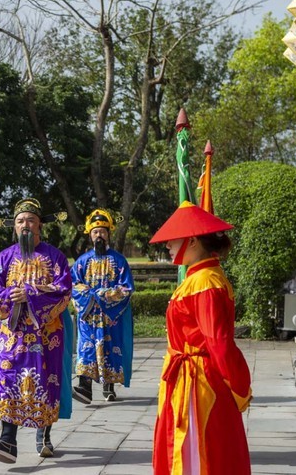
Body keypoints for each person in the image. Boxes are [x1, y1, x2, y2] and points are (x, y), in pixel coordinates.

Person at [149, 201, 252, 475]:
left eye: (173, 240)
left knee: (197, 453)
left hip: (199, 385)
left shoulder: (206, 281)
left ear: (192, 240)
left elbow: (219, 342)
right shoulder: (199, 277)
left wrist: (239, 385)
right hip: (186, 378)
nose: (168, 246)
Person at [0, 198, 72, 463]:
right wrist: (12, 296)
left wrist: (30, 294)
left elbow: (63, 290)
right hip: (13, 336)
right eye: (20, 221)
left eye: (30, 220)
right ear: (15, 227)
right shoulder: (5, 257)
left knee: (45, 380)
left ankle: (43, 436)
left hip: (46, 336)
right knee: (8, 380)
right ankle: (8, 440)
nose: (25, 226)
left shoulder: (55, 257)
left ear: (39, 225)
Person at [71, 209, 134, 403]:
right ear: (90, 235)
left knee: (111, 349)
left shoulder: (119, 261)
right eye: (95, 232)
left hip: (110, 316)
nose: (99, 235)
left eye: (103, 231)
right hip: (89, 315)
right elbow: (73, 285)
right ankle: (84, 387)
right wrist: (89, 296)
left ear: (109, 234)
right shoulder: (82, 261)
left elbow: (126, 288)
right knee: (86, 349)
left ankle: (109, 386)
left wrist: (104, 295)